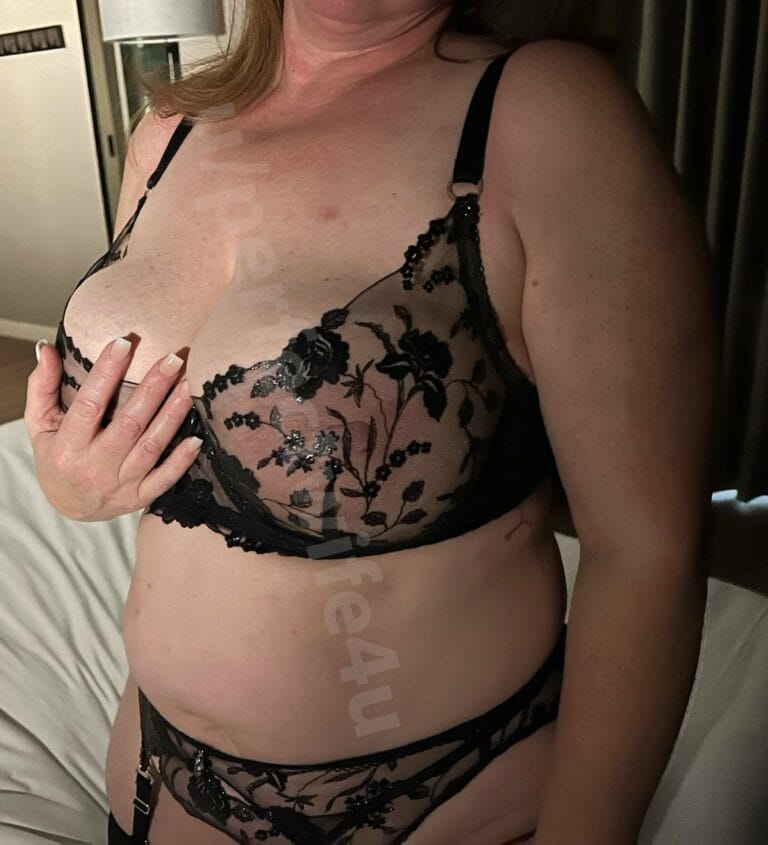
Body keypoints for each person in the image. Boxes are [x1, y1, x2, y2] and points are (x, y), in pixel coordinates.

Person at [24, 1, 719, 842]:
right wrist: (70, 483)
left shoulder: (544, 112)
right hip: (153, 783)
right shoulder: (169, 129)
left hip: (441, 799)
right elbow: (143, 415)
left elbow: (645, 550)